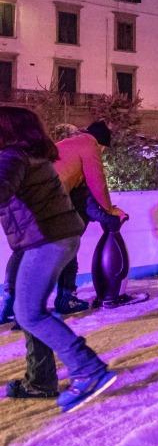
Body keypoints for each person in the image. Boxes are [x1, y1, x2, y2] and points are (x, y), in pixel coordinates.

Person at [0, 107, 117, 411]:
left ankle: (88, 369)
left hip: (46, 239)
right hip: (50, 237)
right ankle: (41, 380)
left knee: (29, 313)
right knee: (30, 310)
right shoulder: (29, 154)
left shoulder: (13, 157)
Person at [50, 121, 126, 314]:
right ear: (100, 143)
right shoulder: (89, 146)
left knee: (30, 254)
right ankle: (64, 299)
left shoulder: (70, 143)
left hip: (36, 198)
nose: (102, 153)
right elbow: (97, 184)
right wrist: (111, 213)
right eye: (103, 149)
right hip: (49, 201)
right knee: (68, 248)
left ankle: (13, 307)